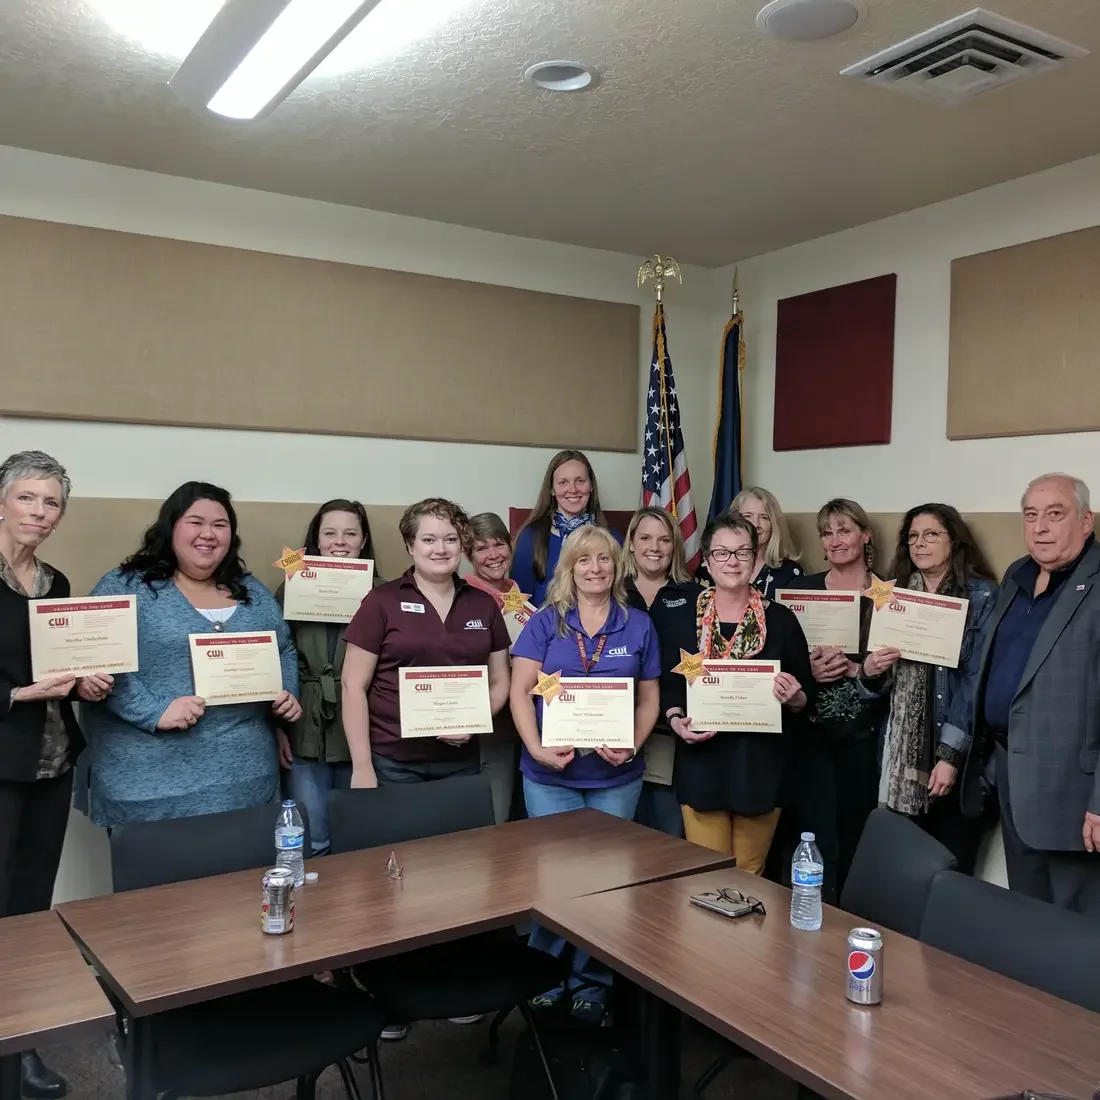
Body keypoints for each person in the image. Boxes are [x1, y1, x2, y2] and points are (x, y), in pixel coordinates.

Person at [84, 482, 301, 826]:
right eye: (195, 522)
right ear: (171, 526)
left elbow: (285, 648)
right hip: (150, 790)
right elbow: (93, 661)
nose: (208, 534)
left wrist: (287, 692)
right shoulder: (126, 586)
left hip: (246, 785)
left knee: (240, 880)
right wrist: (155, 711)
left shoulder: (253, 592)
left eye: (220, 525)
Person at [510, 524, 660, 1019]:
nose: (595, 568)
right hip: (551, 778)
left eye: (604, 559)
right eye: (584, 560)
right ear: (568, 569)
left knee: (605, 886)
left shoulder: (638, 624)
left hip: (615, 780)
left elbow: (648, 699)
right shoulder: (544, 623)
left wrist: (632, 746)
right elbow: (518, 692)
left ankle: (592, 983)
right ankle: (546, 976)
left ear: (617, 567)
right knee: (554, 882)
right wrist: (536, 748)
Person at [0, 450, 111, 1100]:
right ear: (3, 501)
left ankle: (19, 1049)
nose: (41, 513)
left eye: (52, 503)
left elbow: (63, 675)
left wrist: (86, 685)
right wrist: (20, 695)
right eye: (29, 498)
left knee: (29, 918)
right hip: (1, 770)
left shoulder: (57, 583)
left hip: (50, 768)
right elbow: (26, 686)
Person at [961, 473, 1100, 915]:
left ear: (1085, 521)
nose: (1039, 527)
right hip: (1009, 772)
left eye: (1054, 515)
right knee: (1028, 914)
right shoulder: (1017, 576)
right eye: (1031, 515)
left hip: (1073, 793)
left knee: (1074, 927)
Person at [662, 514, 813, 872]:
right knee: (705, 873)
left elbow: (808, 695)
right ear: (708, 561)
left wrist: (795, 697)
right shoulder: (683, 617)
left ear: (755, 558)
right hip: (702, 763)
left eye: (742, 552)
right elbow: (669, 685)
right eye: (722, 553)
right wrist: (674, 720)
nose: (732, 561)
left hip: (760, 767)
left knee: (749, 873)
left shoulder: (780, 620)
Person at [862, 504, 998, 874]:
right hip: (899, 757)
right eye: (912, 537)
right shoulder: (892, 595)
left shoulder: (982, 597)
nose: (920, 544)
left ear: (954, 540)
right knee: (903, 872)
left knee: (949, 872)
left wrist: (949, 755)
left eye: (931, 534)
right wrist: (870, 671)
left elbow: (977, 682)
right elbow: (876, 684)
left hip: (956, 754)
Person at [342, 499, 511, 789]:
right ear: (411, 545)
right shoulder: (382, 601)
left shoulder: (484, 605)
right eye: (429, 539)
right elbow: (352, 685)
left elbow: (500, 680)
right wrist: (362, 766)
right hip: (393, 762)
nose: (441, 549)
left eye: (450, 539)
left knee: (462, 837)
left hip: (462, 761)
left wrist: (472, 720)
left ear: (462, 545)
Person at [775, 498, 887, 900]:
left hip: (864, 732)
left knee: (857, 829)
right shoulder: (800, 590)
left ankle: (851, 916)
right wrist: (810, 672)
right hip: (810, 731)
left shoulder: (886, 594)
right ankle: (811, 913)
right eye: (828, 532)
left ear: (865, 534)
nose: (836, 540)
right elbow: (783, 661)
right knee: (811, 829)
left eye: (845, 530)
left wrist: (861, 670)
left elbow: (904, 667)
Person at [279, 499, 376, 856]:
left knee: (361, 840)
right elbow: (275, 659)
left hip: (365, 728)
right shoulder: (290, 588)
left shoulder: (383, 593)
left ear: (363, 540)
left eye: (350, 533)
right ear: (316, 540)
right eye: (330, 533)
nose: (340, 541)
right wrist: (275, 726)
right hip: (305, 728)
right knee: (311, 839)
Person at [622, 506, 698, 838]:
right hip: (618, 725)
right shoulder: (610, 592)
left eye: (664, 540)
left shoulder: (696, 596)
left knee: (668, 835)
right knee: (621, 833)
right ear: (631, 544)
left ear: (675, 546)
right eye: (646, 538)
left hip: (675, 729)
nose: (655, 547)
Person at [464, 512, 522, 825]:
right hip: (477, 732)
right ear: (468, 556)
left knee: (508, 823)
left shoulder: (520, 599)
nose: (493, 555)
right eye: (481, 548)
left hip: (516, 727)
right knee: (483, 825)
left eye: (499, 544)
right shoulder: (463, 597)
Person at [512, 449, 620, 607]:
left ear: (591, 486)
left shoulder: (613, 538)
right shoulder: (531, 537)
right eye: (563, 482)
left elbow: (620, 597)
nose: (573, 489)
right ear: (552, 490)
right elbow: (520, 605)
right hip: (545, 629)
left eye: (580, 481)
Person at [695, 486, 802, 596]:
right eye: (747, 516)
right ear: (734, 520)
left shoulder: (790, 572)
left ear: (774, 524)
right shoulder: (709, 568)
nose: (755, 524)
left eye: (764, 517)